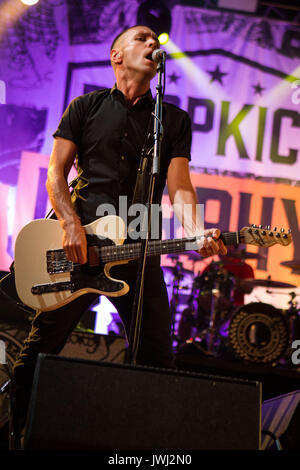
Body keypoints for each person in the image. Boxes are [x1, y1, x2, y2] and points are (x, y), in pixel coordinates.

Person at [11, 25, 227, 444]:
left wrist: (198, 232)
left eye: (155, 41)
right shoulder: (86, 107)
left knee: (156, 362)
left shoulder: (175, 120)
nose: (152, 44)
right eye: (142, 38)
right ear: (116, 55)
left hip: (139, 248)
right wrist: (72, 225)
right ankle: (18, 437)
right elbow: (56, 172)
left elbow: (180, 186)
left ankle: (142, 448)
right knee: (37, 354)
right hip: (78, 246)